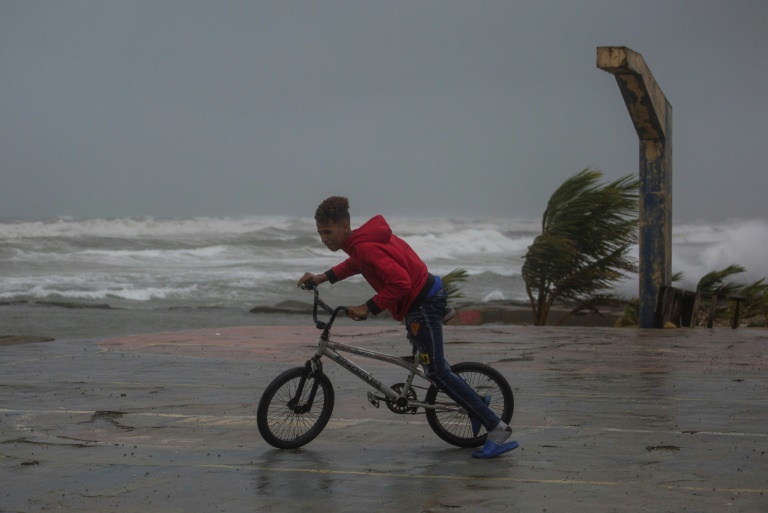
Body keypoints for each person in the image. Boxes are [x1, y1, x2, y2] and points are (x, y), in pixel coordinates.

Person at [297, 196, 518, 458]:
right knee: (435, 366)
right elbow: (356, 264)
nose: (323, 238)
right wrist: (323, 277)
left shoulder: (365, 247)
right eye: (320, 232)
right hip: (423, 295)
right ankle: (475, 402)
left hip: (422, 304)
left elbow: (400, 282)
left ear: (345, 226)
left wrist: (369, 306)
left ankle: (496, 428)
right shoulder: (361, 243)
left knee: (436, 373)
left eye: (327, 231)